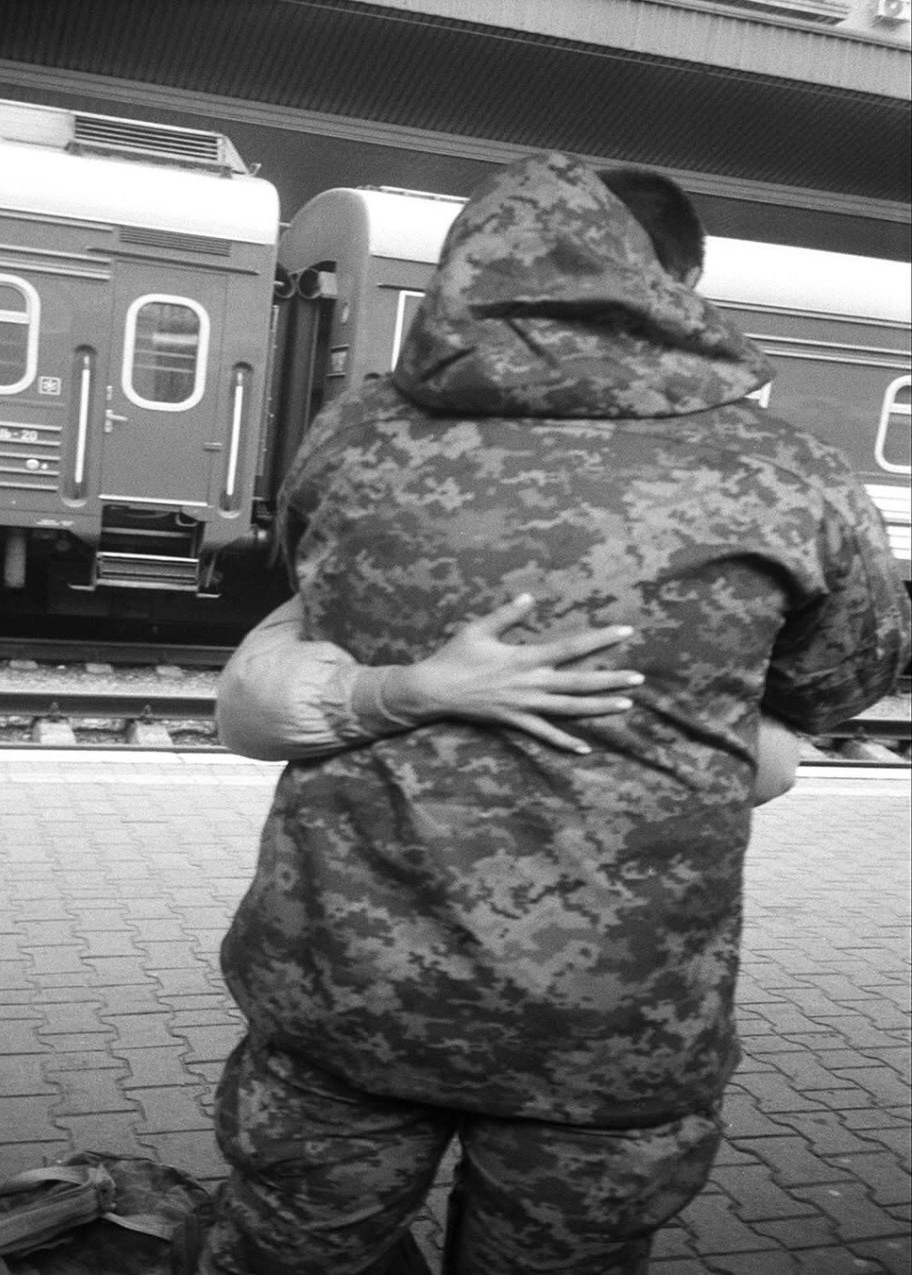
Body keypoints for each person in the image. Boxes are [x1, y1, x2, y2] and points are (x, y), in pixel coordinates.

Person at [200, 153, 910, 1275]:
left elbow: (310, 593)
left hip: (345, 989)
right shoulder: (787, 475)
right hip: (612, 1020)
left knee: (289, 1257)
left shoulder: (354, 434)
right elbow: (839, 684)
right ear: (677, 283)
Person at [213, 591, 800, 804]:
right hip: (630, 1008)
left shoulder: (360, 450)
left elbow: (249, 712)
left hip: (352, 983)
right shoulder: (777, 475)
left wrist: (401, 692)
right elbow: (769, 771)